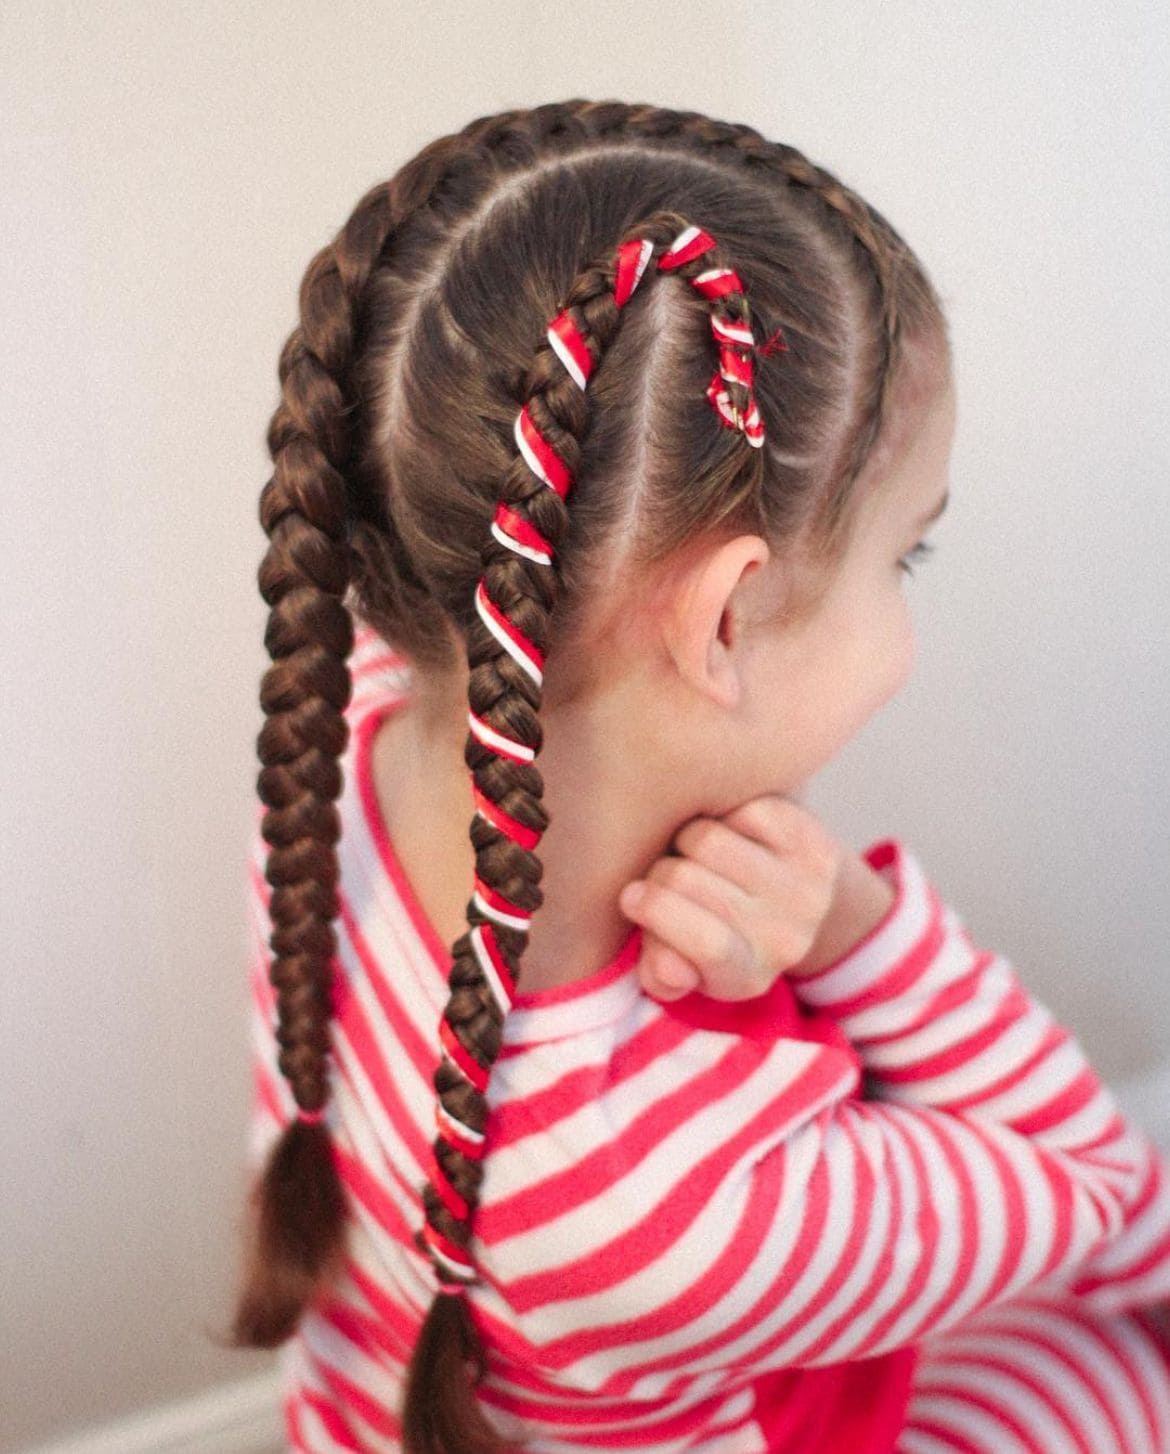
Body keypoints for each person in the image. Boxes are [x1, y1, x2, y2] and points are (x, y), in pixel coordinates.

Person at [223, 98, 1170, 1452]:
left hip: (372, 1407)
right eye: (906, 555)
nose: (905, 602)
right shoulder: (666, 1207)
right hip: (653, 1307)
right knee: (1112, 1366)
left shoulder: (337, 730)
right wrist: (857, 930)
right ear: (722, 618)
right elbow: (1101, 1191)